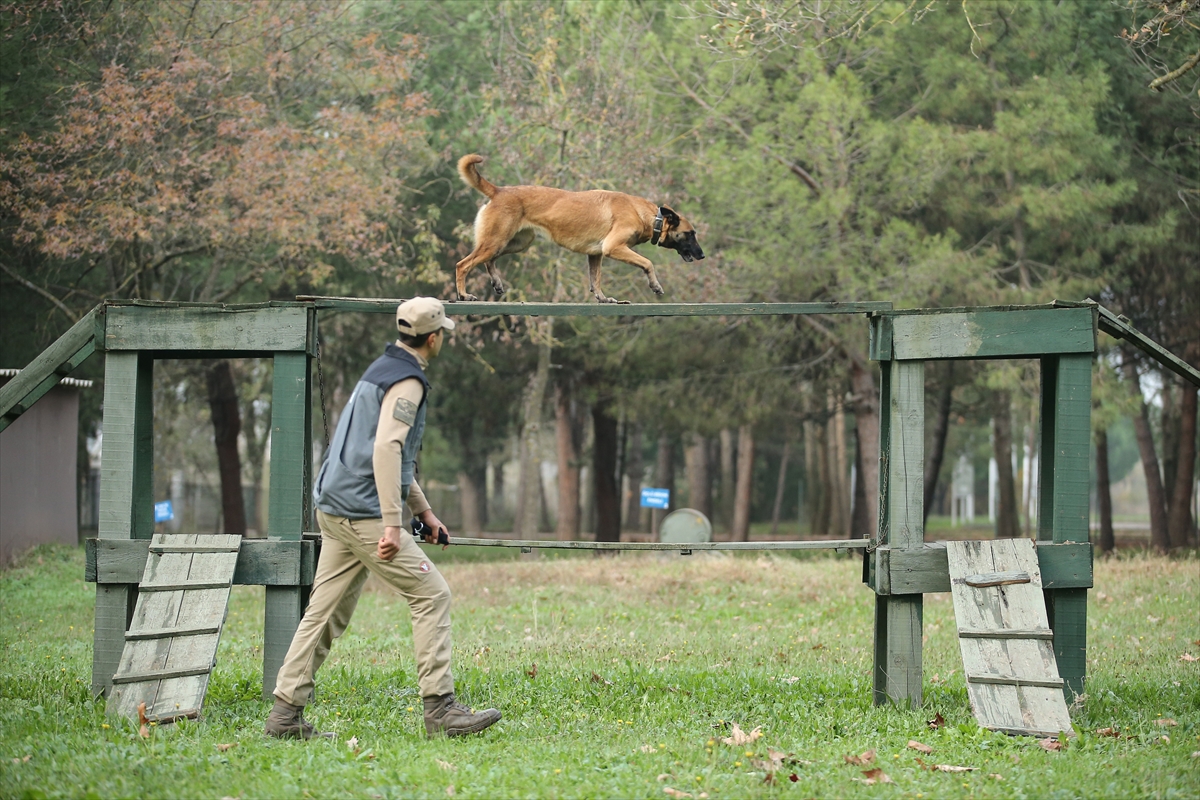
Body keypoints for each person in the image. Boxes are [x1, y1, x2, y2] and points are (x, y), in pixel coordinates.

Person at [264, 297, 501, 739]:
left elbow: (393, 456)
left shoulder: (379, 369)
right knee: (432, 594)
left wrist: (423, 511)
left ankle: (283, 718)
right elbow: (387, 449)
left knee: (325, 612)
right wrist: (393, 522)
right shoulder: (408, 382)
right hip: (365, 513)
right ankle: (441, 711)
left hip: (334, 505)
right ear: (434, 338)